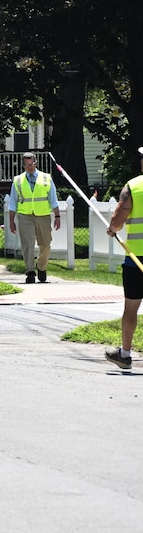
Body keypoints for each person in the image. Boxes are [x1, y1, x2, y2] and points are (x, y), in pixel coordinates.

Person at [103, 147, 143, 370]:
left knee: (131, 308)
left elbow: (118, 221)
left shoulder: (133, 187)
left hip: (137, 257)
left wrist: (112, 228)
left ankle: (125, 355)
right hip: (136, 258)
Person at [8, 153, 61, 284]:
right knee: (28, 244)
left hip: (43, 215)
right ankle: (30, 271)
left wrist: (57, 216)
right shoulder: (18, 180)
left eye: (31, 164)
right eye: (27, 165)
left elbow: (53, 200)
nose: (30, 167)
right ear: (23, 165)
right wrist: (11, 221)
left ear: (35, 163)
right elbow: (13, 203)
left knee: (46, 244)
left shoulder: (46, 178)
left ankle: (41, 267)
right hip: (25, 215)